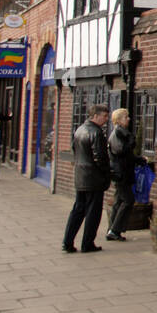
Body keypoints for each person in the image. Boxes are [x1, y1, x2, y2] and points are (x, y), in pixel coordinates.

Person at [62, 105, 111, 253]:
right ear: (95, 116)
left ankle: (67, 241)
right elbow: (100, 157)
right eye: (104, 116)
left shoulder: (79, 130)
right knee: (93, 212)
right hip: (93, 178)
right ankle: (88, 243)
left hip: (80, 176)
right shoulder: (96, 133)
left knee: (78, 210)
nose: (106, 119)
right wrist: (107, 173)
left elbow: (74, 150)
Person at [105, 108, 140, 241]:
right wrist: (131, 141)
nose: (129, 119)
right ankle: (114, 229)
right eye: (126, 117)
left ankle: (112, 229)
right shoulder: (117, 134)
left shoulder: (121, 133)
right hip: (121, 173)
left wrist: (138, 160)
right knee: (128, 200)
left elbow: (126, 155)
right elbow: (121, 152)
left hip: (122, 171)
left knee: (119, 201)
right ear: (119, 120)